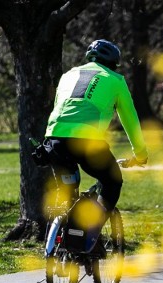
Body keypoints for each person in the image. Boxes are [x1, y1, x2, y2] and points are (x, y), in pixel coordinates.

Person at [44, 39, 148, 225]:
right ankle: (90, 227)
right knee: (112, 182)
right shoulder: (115, 80)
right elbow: (130, 120)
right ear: (113, 64)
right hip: (87, 143)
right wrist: (140, 155)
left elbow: (59, 108)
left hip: (54, 140)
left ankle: (58, 239)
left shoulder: (68, 75)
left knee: (67, 192)